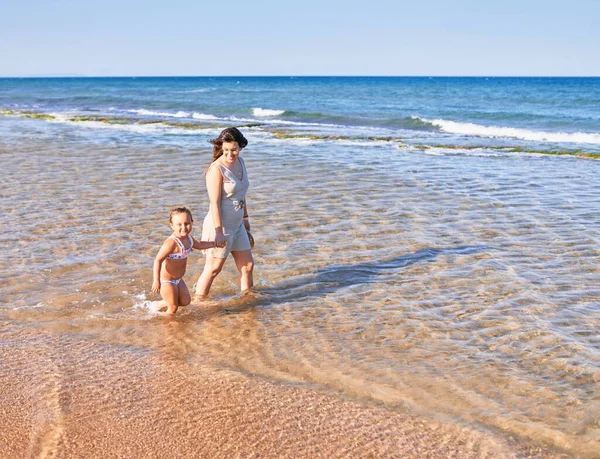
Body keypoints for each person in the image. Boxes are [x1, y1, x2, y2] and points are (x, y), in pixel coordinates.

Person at [195, 127, 254, 298]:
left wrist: (245, 217)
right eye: (226, 149)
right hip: (221, 226)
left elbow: (242, 193)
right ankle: (200, 301)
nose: (230, 154)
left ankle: (247, 300)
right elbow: (214, 203)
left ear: (241, 146)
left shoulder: (241, 162)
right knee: (213, 269)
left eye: (234, 150)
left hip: (237, 224)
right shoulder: (216, 169)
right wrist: (218, 232)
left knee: (247, 266)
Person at [152, 207, 217, 314]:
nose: (184, 227)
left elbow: (199, 245)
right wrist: (156, 280)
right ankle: (167, 328)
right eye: (179, 224)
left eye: (187, 223)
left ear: (192, 222)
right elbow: (158, 260)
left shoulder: (189, 238)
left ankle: (160, 304)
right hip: (166, 281)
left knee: (186, 301)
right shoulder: (171, 243)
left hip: (178, 279)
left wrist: (214, 244)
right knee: (173, 308)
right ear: (172, 225)